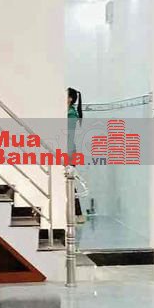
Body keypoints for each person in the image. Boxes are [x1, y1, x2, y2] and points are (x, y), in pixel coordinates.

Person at [67, 87, 85, 223]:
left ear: (70, 99)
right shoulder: (69, 112)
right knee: (69, 181)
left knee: (70, 181)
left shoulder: (71, 114)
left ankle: (78, 214)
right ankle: (77, 214)